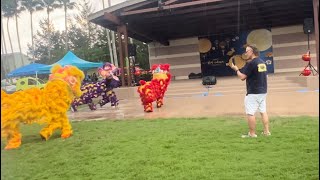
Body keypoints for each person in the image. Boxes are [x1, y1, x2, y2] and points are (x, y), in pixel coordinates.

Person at [230, 44, 271, 138]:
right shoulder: (262, 62)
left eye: (247, 51)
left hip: (253, 92)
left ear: (252, 52)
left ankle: (252, 134)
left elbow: (242, 77)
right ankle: (266, 132)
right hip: (263, 91)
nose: (245, 53)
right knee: (263, 111)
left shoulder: (251, 63)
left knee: (250, 113)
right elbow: (266, 76)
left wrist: (236, 70)